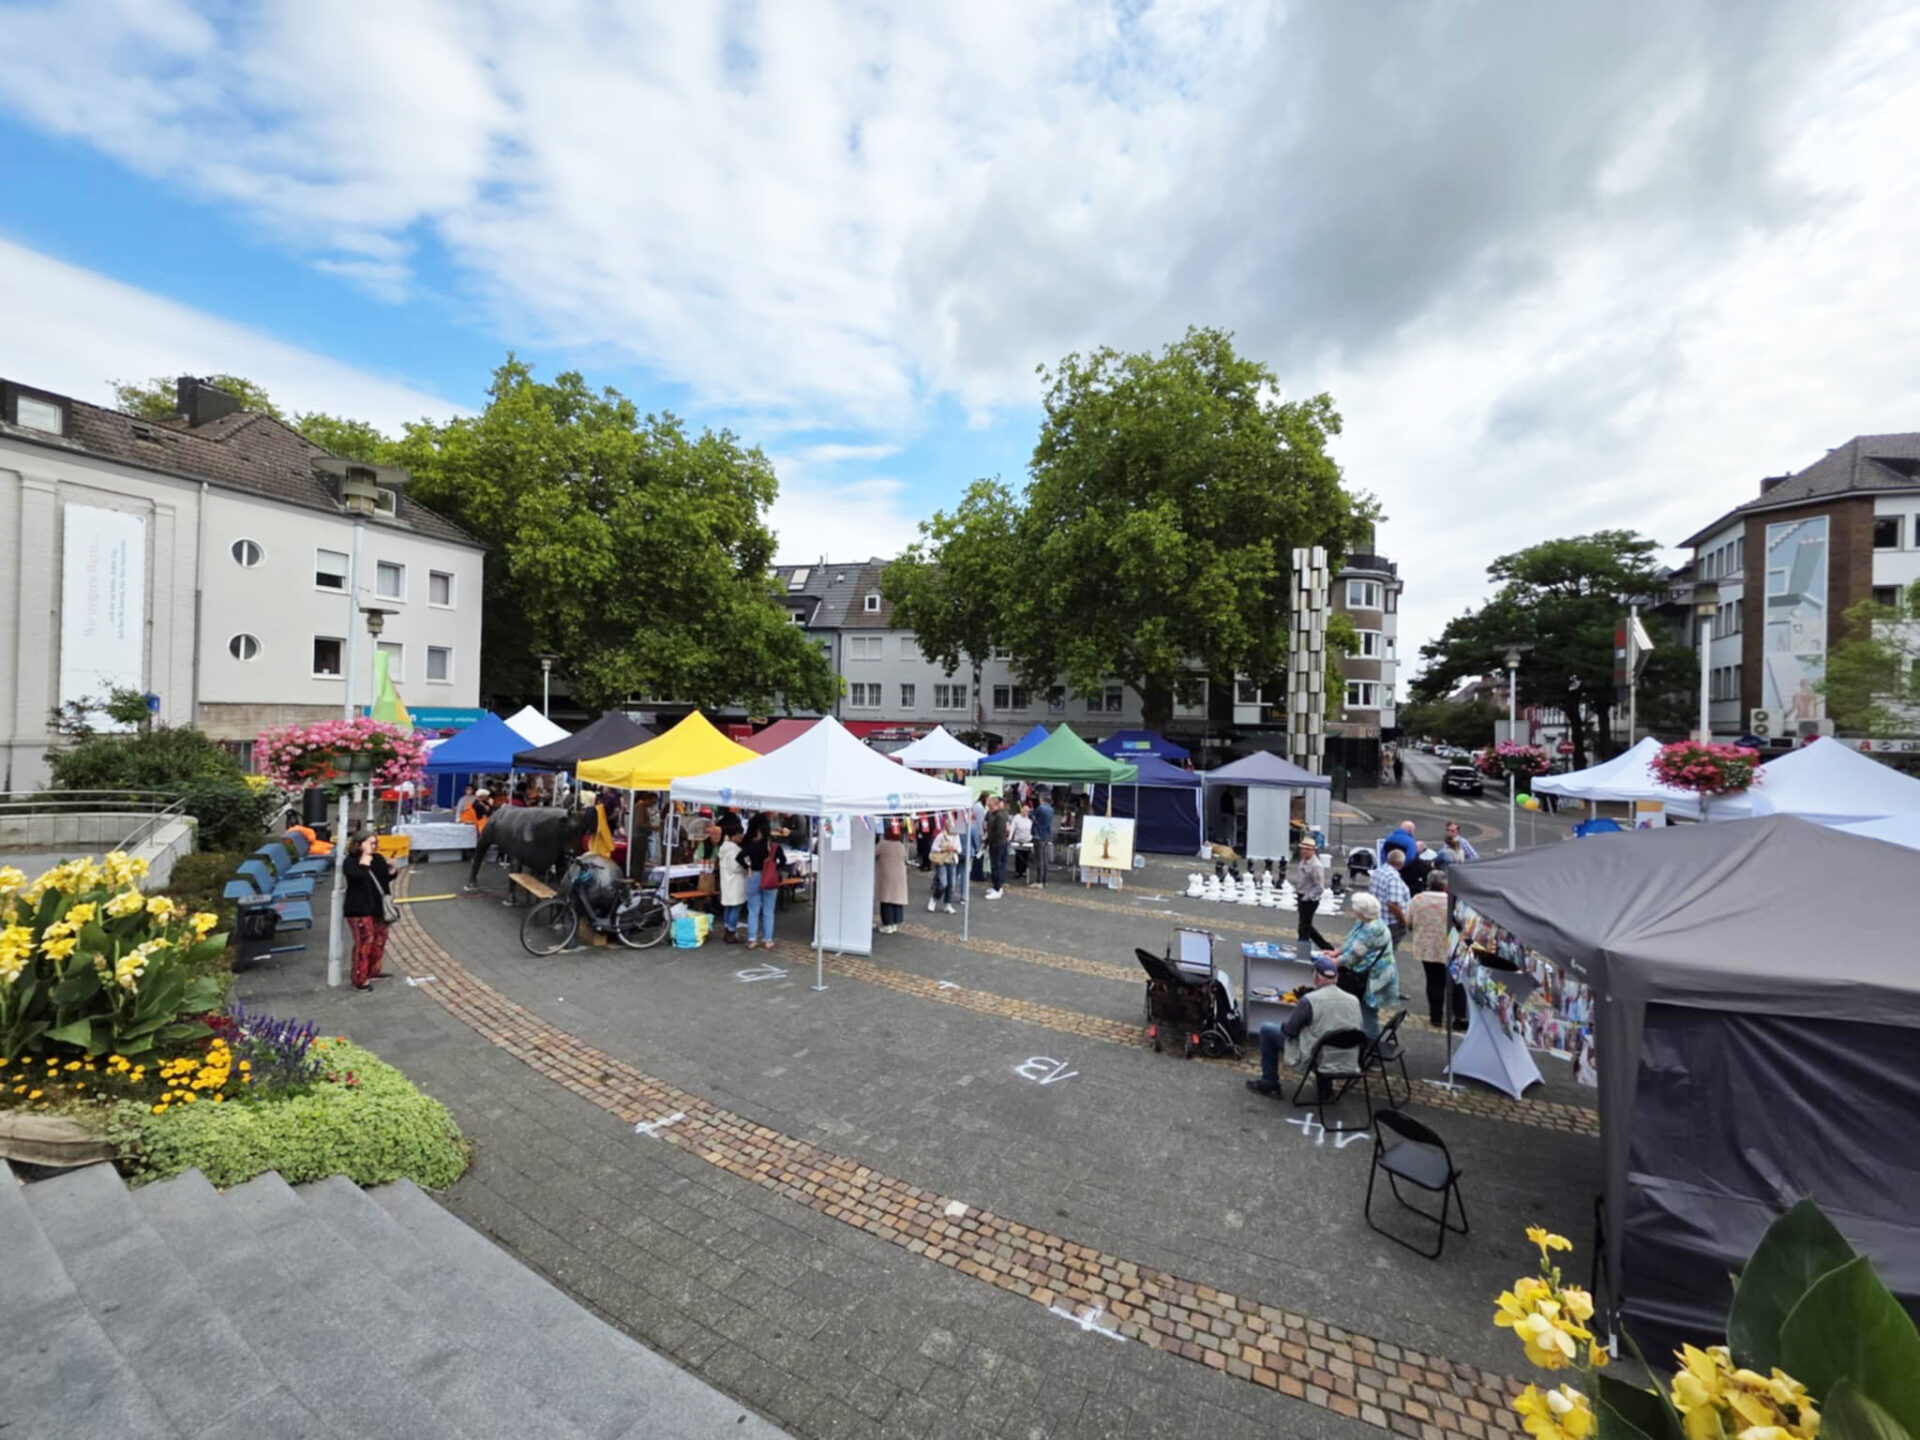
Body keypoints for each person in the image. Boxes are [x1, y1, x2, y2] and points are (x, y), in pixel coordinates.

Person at [1244, 954, 1362, 1098]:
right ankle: (1325, 1087)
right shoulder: (1353, 1000)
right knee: (1327, 1035)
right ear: (1336, 978)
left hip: (1319, 1057)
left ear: (1316, 977)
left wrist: (1288, 1025)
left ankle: (1269, 1083)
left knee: (1267, 1029)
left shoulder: (1310, 1000)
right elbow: (1356, 1030)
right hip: (1348, 1059)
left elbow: (1290, 1031)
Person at [1335, 891, 1400, 1038]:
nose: (1353, 910)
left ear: (1363, 912)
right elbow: (1351, 942)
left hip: (1374, 977)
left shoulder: (1372, 929)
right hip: (1370, 973)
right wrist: (1337, 952)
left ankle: (1370, 1044)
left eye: (1355, 908)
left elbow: (1353, 955)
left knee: (1369, 1013)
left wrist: (1331, 962)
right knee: (1364, 1010)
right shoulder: (1366, 921)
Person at [341, 829, 396, 992]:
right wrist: (364, 864)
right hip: (359, 908)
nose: (374, 846)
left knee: (379, 939)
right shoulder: (350, 862)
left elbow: (383, 880)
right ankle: (359, 978)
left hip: (377, 908)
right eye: (370, 843)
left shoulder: (378, 859)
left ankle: (373, 970)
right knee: (364, 942)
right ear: (359, 845)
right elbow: (355, 877)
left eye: (375, 843)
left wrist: (393, 871)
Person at [1406, 870, 1460, 1028]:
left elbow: (1409, 922)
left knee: (1434, 981)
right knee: (1455, 981)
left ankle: (1436, 1017)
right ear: (1445, 884)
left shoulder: (1418, 899)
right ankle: (1460, 1016)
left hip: (1427, 946)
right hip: (1451, 944)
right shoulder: (1452, 900)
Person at [738, 814, 786, 951]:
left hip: (754, 875)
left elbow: (739, 857)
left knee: (753, 910)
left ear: (758, 831)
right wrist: (774, 868)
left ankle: (752, 939)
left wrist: (747, 867)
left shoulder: (753, 845)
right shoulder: (775, 846)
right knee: (768, 911)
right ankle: (768, 940)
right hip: (769, 878)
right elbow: (783, 861)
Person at [1293, 838, 1334, 949]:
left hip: (1310, 899)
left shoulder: (1316, 866)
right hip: (1302, 895)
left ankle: (1303, 948)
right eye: (1303, 849)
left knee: (1303, 928)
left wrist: (1307, 897)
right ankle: (1327, 948)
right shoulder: (1303, 860)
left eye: (1308, 849)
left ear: (1313, 851)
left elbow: (1319, 887)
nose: (1305, 851)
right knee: (1306, 926)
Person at [1369, 847, 1412, 942]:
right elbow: (1392, 904)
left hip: (1376, 919)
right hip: (1390, 923)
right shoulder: (1393, 878)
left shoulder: (1378, 871)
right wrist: (1403, 922)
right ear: (1401, 864)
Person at [715, 815, 746, 943]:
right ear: (735, 835)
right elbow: (736, 867)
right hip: (735, 882)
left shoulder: (723, 848)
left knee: (728, 907)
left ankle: (727, 929)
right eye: (740, 835)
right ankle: (731, 932)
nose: (741, 837)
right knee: (735, 907)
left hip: (726, 881)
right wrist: (745, 867)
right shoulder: (735, 850)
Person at [875, 821, 909, 933]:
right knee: (897, 899)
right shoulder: (901, 845)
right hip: (899, 875)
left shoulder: (883, 844)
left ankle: (887, 924)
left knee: (887, 899)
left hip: (887, 875)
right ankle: (895, 923)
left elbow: (873, 853)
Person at [928, 822, 961, 913]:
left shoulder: (956, 836)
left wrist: (954, 849)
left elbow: (959, 849)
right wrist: (944, 849)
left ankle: (947, 904)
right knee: (943, 883)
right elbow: (934, 848)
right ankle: (934, 899)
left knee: (951, 885)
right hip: (942, 861)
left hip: (952, 861)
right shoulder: (941, 836)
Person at [984, 794, 1011, 898]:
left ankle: (997, 888)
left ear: (995, 804)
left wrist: (990, 840)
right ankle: (996, 886)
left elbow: (999, 832)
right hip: (996, 843)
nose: (988, 806)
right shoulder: (994, 814)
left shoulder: (1000, 815)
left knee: (996, 866)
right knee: (994, 866)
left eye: (989, 804)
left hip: (997, 844)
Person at [1030, 789, 1054, 888]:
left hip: (1038, 835)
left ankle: (1039, 881)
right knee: (1045, 859)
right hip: (1046, 836)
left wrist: (1030, 812)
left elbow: (1031, 815)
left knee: (1039, 860)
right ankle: (1044, 880)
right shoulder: (1051, 809)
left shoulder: (1040, 808)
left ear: (1041, 799)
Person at [1010, 803, 1034, 882]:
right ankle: (1017, 871)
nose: (1026, 812)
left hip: (1027, 839)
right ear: (1021, 810)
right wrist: (1010, 837)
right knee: (1018, 855)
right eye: (1024, 810)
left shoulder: (1030, 819)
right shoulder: (1017, 817)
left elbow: (1032, 829)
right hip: (1018, 839)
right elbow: (1012, 827)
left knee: (1025, 856)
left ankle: (1023, 871)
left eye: (1027, 811)